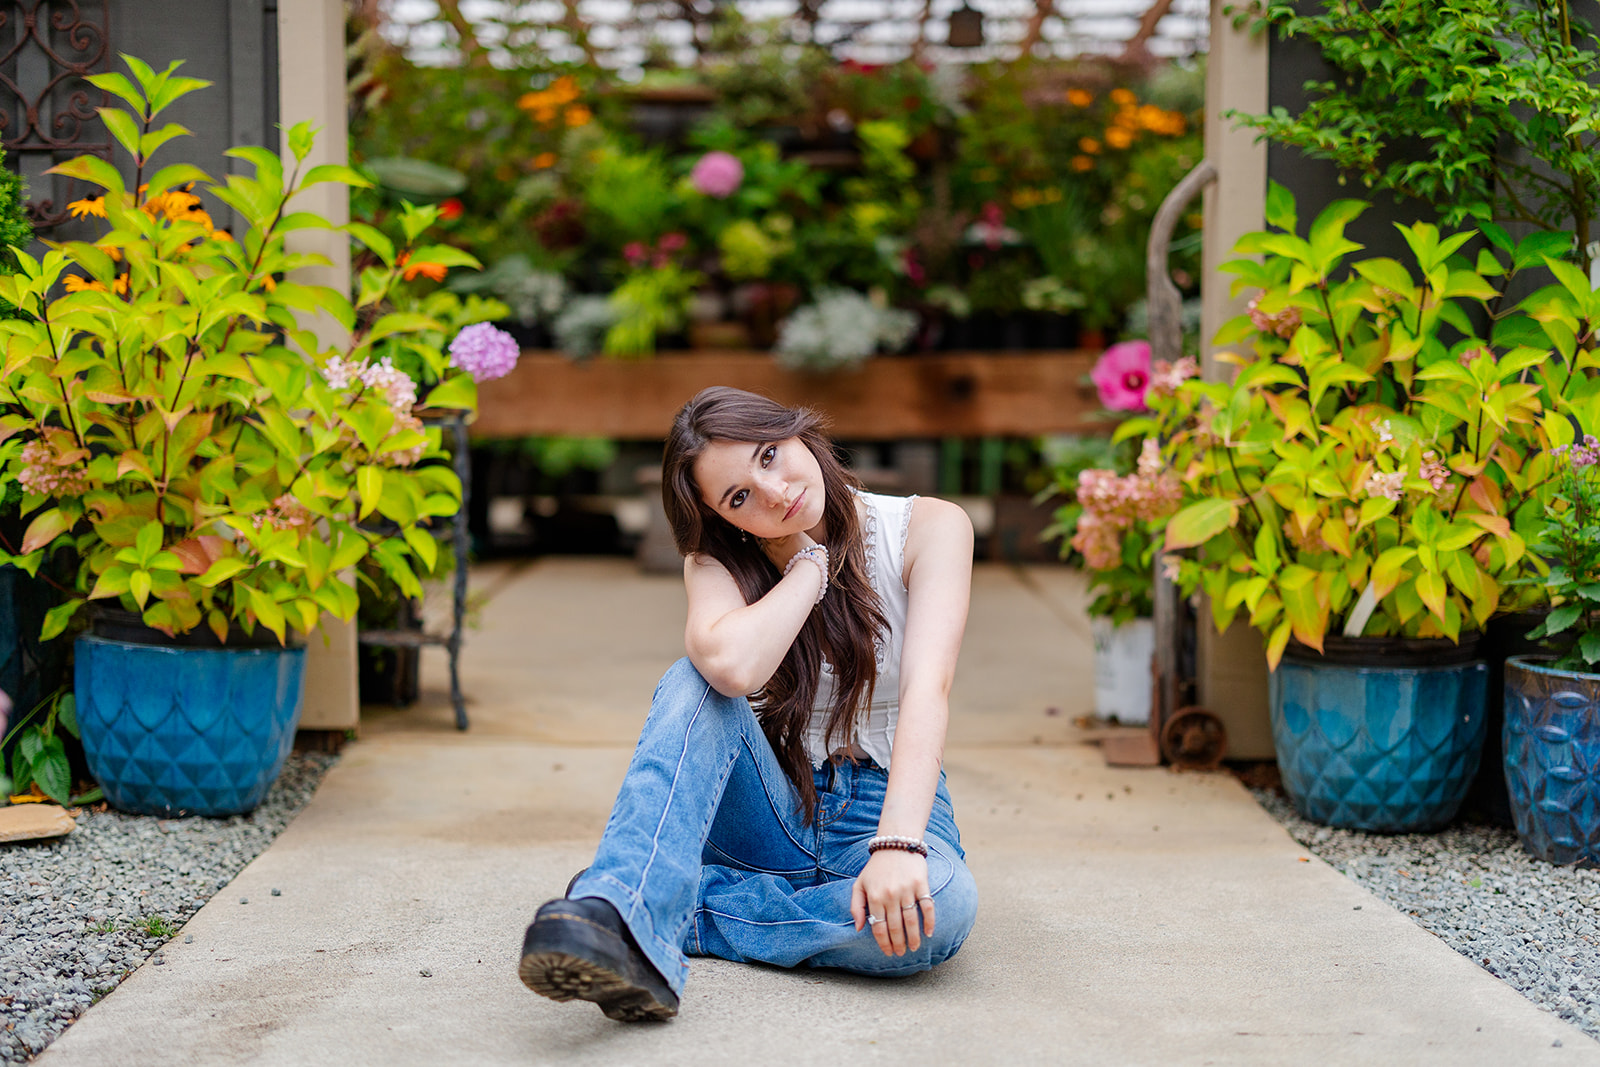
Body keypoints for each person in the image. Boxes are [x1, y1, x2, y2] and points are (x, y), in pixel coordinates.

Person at [518, 386, 979, 1021]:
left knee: (945, 906)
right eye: (739, 498)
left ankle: (662, 912)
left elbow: (931, 688)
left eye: (769, 455)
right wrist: (810, 570)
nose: (773, 492)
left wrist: (898, 845)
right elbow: (732, 667)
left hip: (884, 805)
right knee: (694, 678)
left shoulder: (928, 528)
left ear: (795, 431)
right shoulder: (715, 562)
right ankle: (623, 904)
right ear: (725, 518)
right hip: (766, 811)